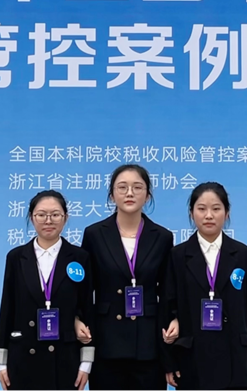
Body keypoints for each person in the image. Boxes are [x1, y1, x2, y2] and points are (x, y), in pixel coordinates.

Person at [78, 164, 178, 391]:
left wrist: (175, 318)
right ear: (112, 195)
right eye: (122, 187)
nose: (129, 193)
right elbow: (84, 288)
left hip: (148, 344)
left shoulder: (162, 237)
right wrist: (78, 319)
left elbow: (168, 290)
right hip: (107, 341)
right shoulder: (94, 234)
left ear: (148, 195)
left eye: (137, 187)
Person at [162, 182, 247, 391]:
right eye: (201, 209)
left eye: (216, 208)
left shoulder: (241, 253)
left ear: (226, 213)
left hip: (234, 356)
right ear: (191, 213)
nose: (209, 215)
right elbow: (167, 307)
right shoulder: (178, 255)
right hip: (192, 359)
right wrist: (169, 362)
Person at [0, 190, 95, 391]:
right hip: (23, 357)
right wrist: (1, 362)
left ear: (65, 217)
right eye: (41, 214)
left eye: (55, 214)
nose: (48, 220)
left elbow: (86, 307)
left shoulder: (79, 257)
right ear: (32, 217)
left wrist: (86, 362)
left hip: (65, 359)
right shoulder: (16, 257)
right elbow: (7, 308)